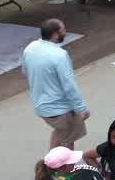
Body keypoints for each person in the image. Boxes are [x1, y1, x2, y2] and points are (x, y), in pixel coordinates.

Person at [21, 19, 90, 149]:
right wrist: (82, 108)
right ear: (55, 35)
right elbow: (69, 86)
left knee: (60, 131)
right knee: (67, 142)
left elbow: (26, 71)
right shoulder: (59, 55)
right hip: (60, 109)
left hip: (42, 107)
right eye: (63, 30)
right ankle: (66, 168)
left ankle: (50, 165)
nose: (65, 32)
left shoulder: (30, 48)